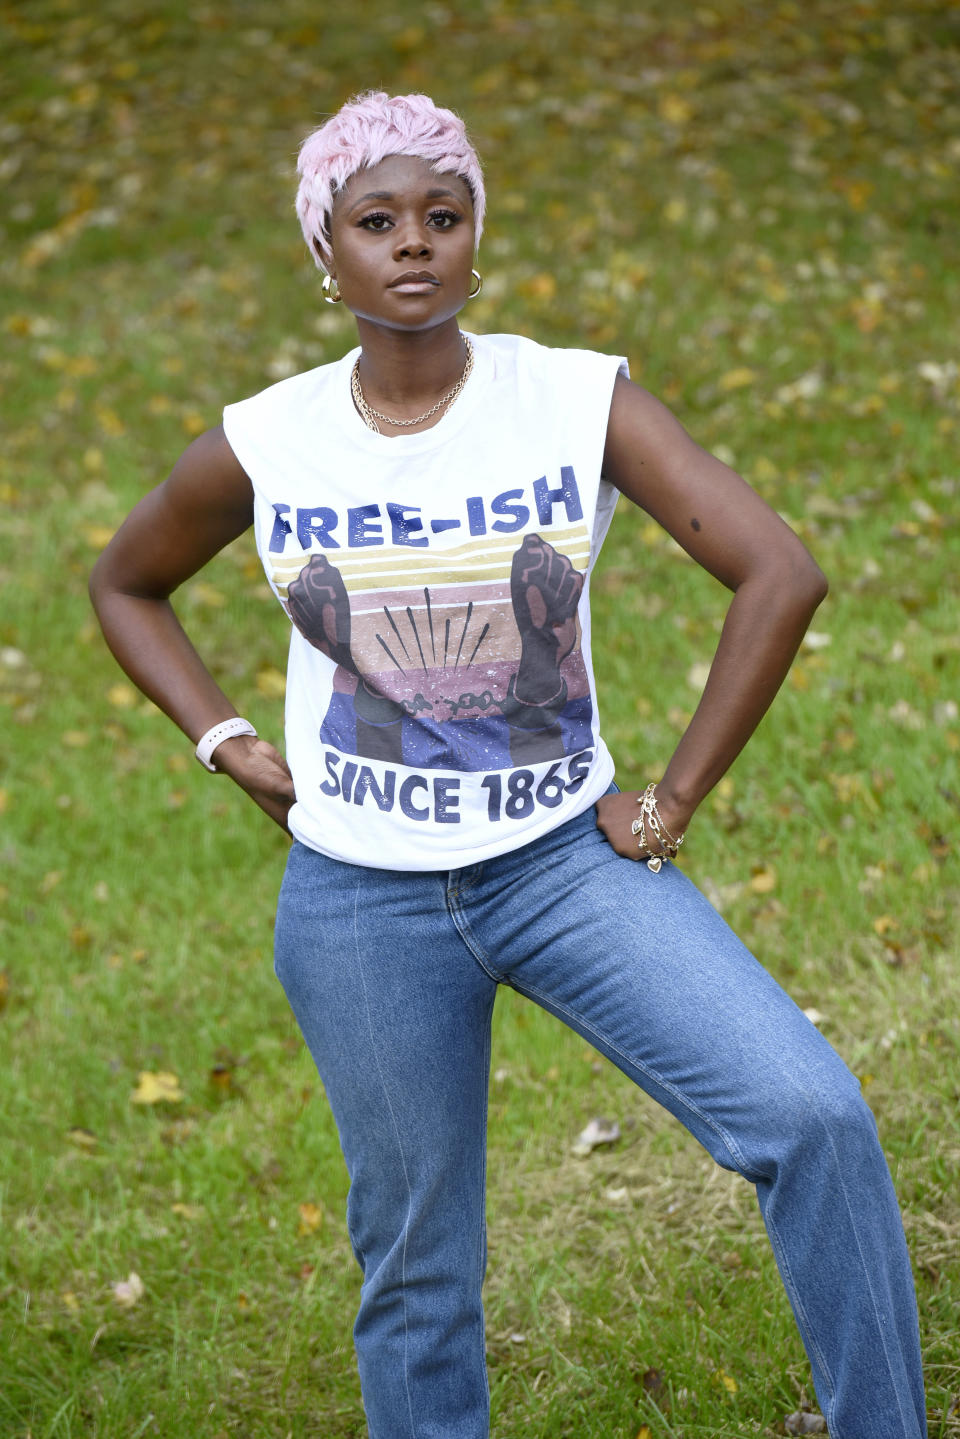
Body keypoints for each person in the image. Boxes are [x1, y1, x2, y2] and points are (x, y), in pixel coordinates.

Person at [89, 91, 926, 1439]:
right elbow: (125, 583)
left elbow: (780, 570)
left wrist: (672, 799)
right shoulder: (271, 437)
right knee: (418, 1272)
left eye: (444, 215)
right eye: (377, 222)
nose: (413, 244)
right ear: (327, 254)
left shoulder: (570, 396)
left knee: (813, 1118)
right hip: (361, 906)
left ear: (476, 239)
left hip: (563, 868)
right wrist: (226, 741)